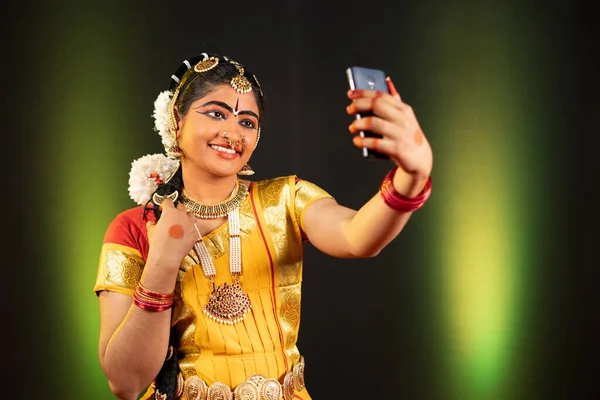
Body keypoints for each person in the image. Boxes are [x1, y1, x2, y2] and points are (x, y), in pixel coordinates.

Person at [94, 52, 433, 400]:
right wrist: (163, 260)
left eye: (247, 122)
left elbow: (357, 236)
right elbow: (125, 382)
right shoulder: (136, 228)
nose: (232, 133)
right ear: (176, 120)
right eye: (216, 114)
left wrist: (412, 176)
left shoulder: (285, 201)